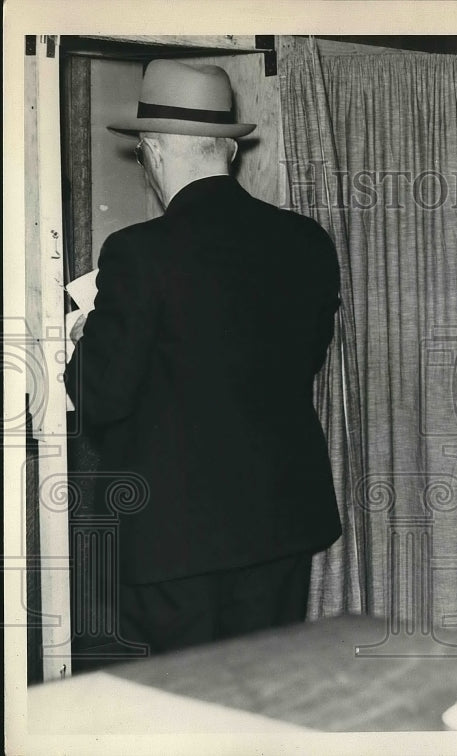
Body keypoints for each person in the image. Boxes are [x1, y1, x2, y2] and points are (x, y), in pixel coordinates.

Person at [66, 59, 342, 657]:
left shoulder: (138, 253)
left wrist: (87, 333)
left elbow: (99, 397)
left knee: (183, 714)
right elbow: (303, 360)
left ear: (154, 150)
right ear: (227, 150)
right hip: (280, 525)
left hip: (175, 539)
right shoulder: (307, 243)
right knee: (263, 699)